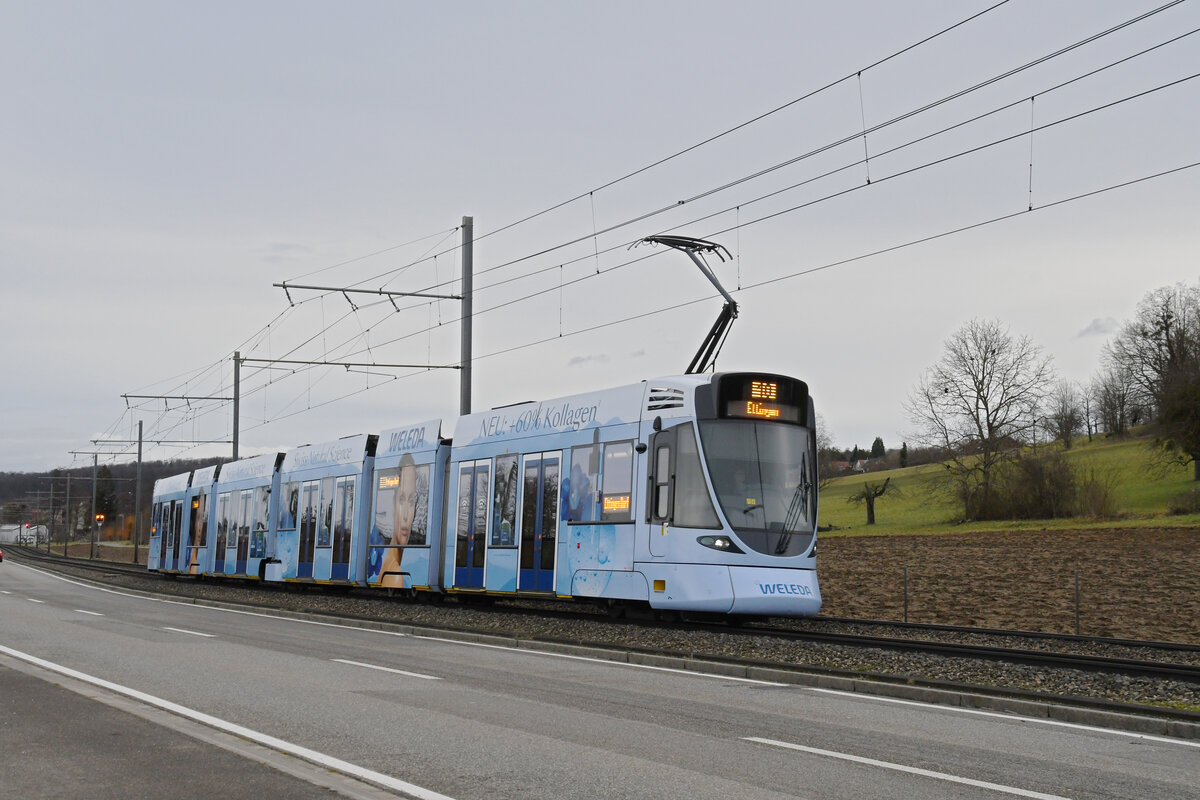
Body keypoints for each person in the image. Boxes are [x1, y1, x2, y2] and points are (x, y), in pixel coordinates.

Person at [371, 454, 420, 588]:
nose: (406, 515)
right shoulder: (396, 575)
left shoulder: (389, 564)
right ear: (393, 506)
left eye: (411, 501)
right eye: (402, 500)